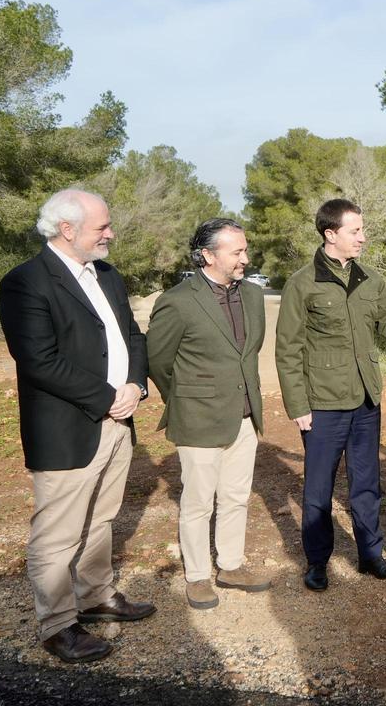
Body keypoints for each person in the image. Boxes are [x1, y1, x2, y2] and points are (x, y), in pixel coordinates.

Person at [0, 189, 155, 663]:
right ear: (67, 230)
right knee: (58, 532)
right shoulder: (25, 282)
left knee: (102, 519)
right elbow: (38, 361)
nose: (110, 234)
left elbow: (131, 334)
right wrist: (109, 398)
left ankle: (95, 597)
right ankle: (57, 625)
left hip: (117, 421)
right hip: (68, 429)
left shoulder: (107, 275)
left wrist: (135, 384)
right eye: (101, 227)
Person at [275, 198, 386, 591]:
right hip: (323, 402)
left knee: (367, 483)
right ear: (330, 233)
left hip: (367, 399)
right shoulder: (302, 283)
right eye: (355, 231)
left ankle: (371, 555)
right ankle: (318, 562)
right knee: (318, 488)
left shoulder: (371, 279)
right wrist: (298, 406)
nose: (363, 238)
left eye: (362, 230)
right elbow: (287, 349)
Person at [146, 218, 271, 610]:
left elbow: (247, 354)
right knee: (198, 503)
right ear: (207, 255)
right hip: (198, 419)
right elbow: (159, 360)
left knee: (236, 497)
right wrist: (186, 398)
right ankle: (197, 576)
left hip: (245, 415)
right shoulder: (178, 300)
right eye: (236, 252)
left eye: (245, 250)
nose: (245, 259)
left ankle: (230, 566)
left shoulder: (252, 296)